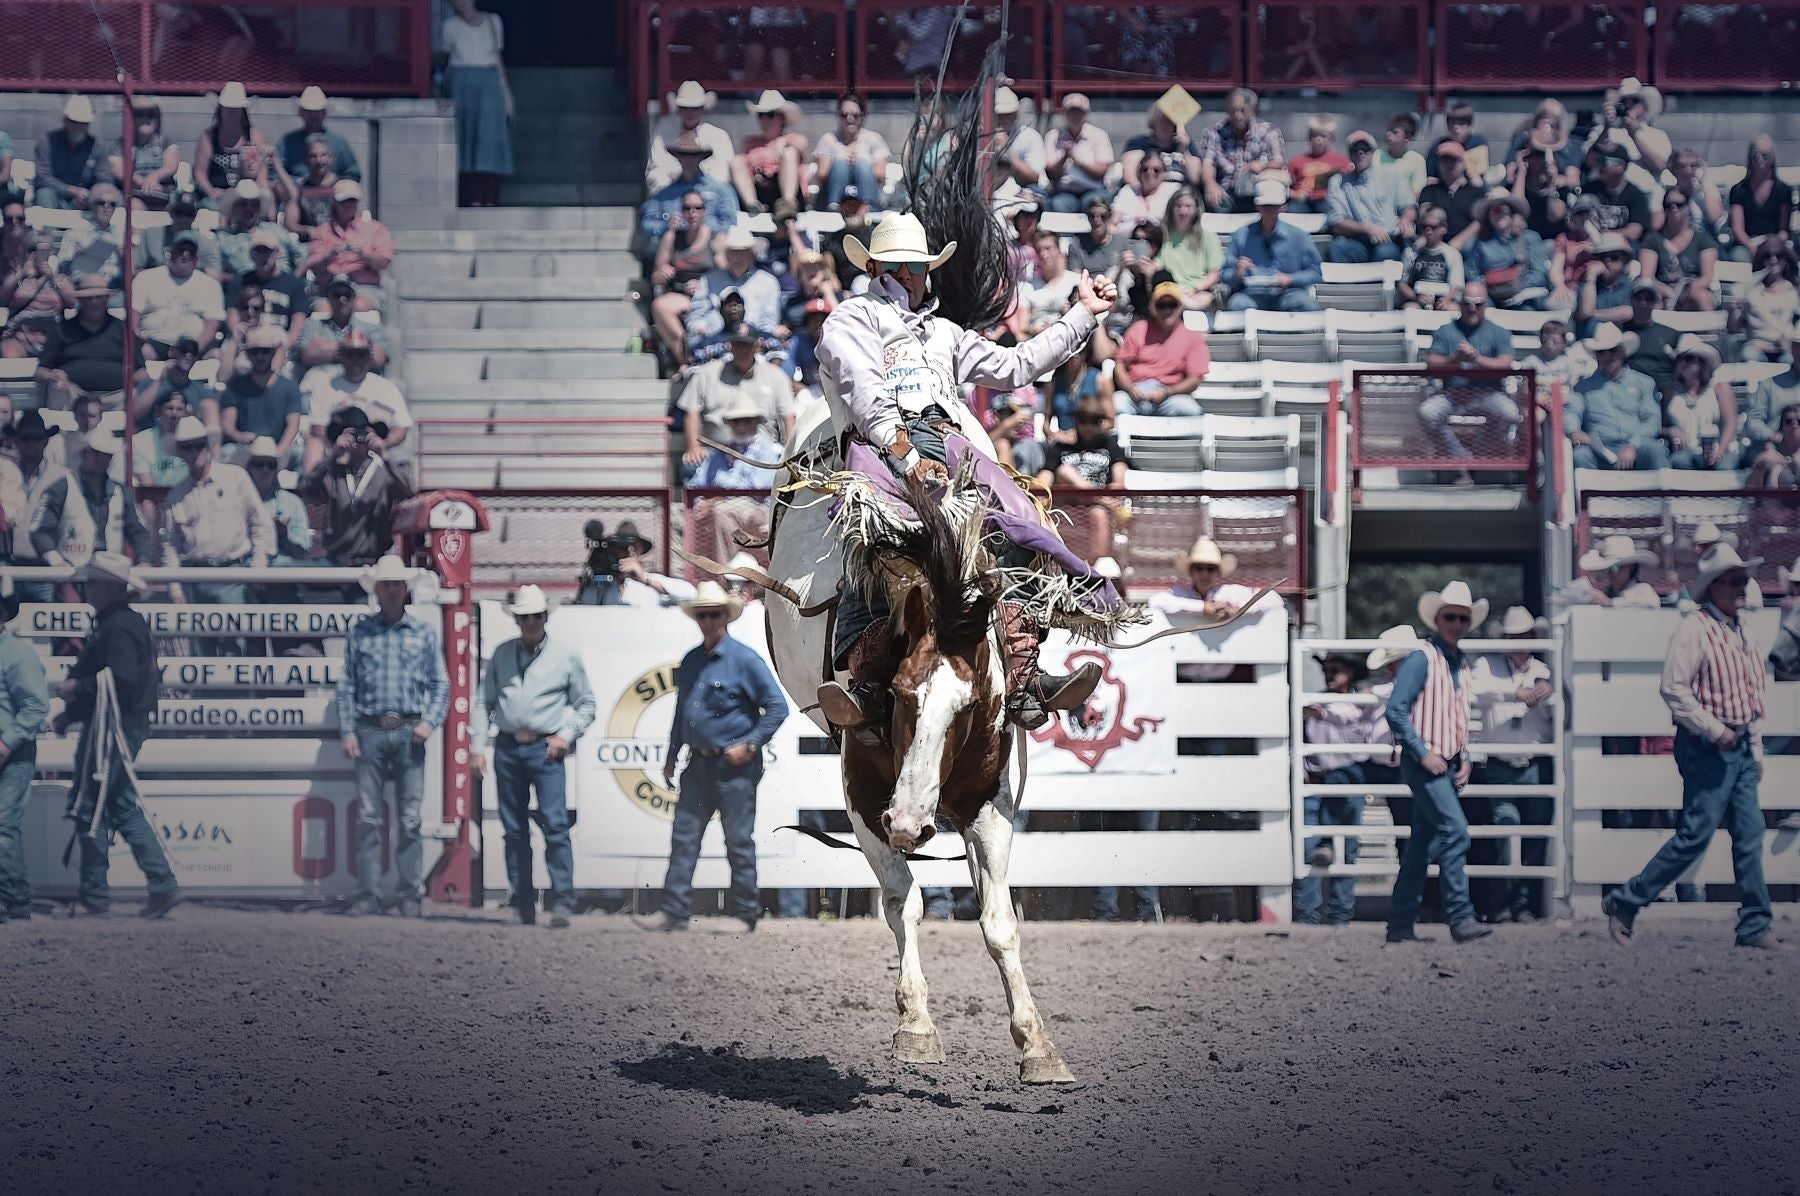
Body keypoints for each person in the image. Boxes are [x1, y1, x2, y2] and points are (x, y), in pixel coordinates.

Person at [811, 211, 1119, 735]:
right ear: (890, 268)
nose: (915, 275)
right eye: (909, 266)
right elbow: (864, 391)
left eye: (916, 266)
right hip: (882, 443)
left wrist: (1083, 314)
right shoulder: (851, 319)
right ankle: (866, 684)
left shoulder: (944, 333)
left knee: (1020, 523)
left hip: (949, 441)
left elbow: (1015, 366)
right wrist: (906, 455)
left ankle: (1021, 672)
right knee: (872, 532)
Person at [1604, 544, 1779, 950]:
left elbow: (1750, 692)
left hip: (1736, 744)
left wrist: (1751, 744)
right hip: (1708, 746)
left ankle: (1755, 922)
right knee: (1696, 835)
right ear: (1714, 587)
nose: (1743, 587)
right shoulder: (1695, 628)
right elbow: (1673, 689)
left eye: (1744, 580)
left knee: (1749, 833)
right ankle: (1626, 900)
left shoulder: (1739, 628)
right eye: (1735, 581)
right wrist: (1715, 729)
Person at [652, 582, 789, 932]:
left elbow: (777, 707)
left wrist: (751, 744)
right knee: (684, 837)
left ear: (726, 616)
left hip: (734, 766)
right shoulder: (692, 660)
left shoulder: (744, 659)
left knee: (738, 840)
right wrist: (672, 754)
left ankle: (745, 914)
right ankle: (675, 911)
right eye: (703, 614)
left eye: (714, 614)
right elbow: (683, 711)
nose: (708, 620)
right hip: (698, 761)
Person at [53, 552, 180, 918]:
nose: (85, 588)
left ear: (106, 587)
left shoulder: (117, 626)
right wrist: (72, 713)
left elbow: (120, 680)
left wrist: (76, 689)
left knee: (92, 805)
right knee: (118, 802)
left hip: (115, 727)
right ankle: (161, 884)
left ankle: (97, 895)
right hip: (118, 724)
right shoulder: (120, 623)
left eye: (90, 582)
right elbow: (116, 679)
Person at [474, 584, 596, 929]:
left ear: (545, 617)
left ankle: (561, 902)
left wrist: (565, 735)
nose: (530, 622)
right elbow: (484, 703)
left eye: (535, 616)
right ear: (518, 619)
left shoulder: (565, 656)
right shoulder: (501, 655)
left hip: (545, 748)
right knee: (514, 830)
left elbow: (586, 704)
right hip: (509, 746)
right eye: (525, 617)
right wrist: (477, 747)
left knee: (555, 826)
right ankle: (523, 902)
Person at [337, 555, 450, 917]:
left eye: (395, 585)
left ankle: (407, 895)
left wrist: (428, 723)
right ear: (378, 590)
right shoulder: (360, 631)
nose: (390, 591)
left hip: (409, 730)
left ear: (405, 590)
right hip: (369, 729)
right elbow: (346, 685)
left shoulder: (423, 633)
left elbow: (440, 684)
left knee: (410, 819)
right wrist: (348, 730)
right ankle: (368, 893)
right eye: (385, 585)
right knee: (369, 816)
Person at [1384, 579, 1492, 945]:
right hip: (1426, 762)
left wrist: (1463, 756)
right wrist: (1423, 751)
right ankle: (1460, 917)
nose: (1458, 624)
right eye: (1452, 617)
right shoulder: (1422, 658)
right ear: (1439, 619)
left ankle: (1399, 924)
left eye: (1463, 618)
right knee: (1456, 832)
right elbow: (1395, 711)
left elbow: (1454, 717)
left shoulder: (1456, 663)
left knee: (1421, 847)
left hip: (1441, 762)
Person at [1472, 607, 1554, 923]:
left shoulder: (1546, 672)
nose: (1519, 641)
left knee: (1534, 836)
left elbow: (1562, 714)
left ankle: (1523, 905)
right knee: (1505, 829)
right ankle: (1504, 904)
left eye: (1524, 635)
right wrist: (1516, 692)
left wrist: (1548, 695)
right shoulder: (1486, 666)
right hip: (1501, 763)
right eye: (1513, 636)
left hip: (1535, 761)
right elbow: (1477, 688)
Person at [1297, 652, 1376, 926]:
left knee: (1345, 851)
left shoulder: (1362, 704)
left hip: (1347, 782)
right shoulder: (1312, 704)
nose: (1330, 675)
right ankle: (1309, 914)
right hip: (1318, 782)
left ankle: (1339, 914)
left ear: (1351, 673)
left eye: (1337, 670)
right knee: (1308, 850)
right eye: (1328, 670)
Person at [1419, 282, 1521, 474]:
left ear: (1486, 305)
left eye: (1478, 303)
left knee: (1510, 413)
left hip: (1488, 393)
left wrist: (1477, 358)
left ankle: (1475, 453)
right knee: (1427, 413)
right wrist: (1455, 359)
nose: (1472, 308)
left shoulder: (1498, 332)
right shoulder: (1446, 330)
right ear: (1460, 304)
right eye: (1467, 303)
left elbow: (1506, 364)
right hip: (1453, 394)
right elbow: (1431, 363)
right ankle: (1462, 458)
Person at [296, 407, 412, 569]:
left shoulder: (384, 473)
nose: (359, 440)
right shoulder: (334, 473)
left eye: (363, 434)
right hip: (336, 560)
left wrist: (384, 455)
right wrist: (332, 455)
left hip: (372, 560)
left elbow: (408, 490)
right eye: (352, 435)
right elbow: (306, 487)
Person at [164, 412, 274, 579]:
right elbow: (171, 544)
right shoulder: (175, 495)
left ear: (207, 446)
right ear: (180, 452)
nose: (195, 451)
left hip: (232, 573)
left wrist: (257, 568)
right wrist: (175, 588)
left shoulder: (236, 477)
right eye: (188, 447)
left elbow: (261, 523)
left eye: (199, 445)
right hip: (191, 577)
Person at [678, 324, 794, 478]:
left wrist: (790, 451)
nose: (742, 349)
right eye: (738, 344)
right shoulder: (707, 373)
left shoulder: (775, 375)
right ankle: (702, 501)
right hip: (716, 450)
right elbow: (691, 412)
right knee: (690, 467)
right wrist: (693, 447)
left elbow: (788, 415)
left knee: (787, 470)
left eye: (747, 345)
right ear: (729, 346)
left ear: (757, 346)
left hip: (761, 452)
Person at [29, 426, 152, 570]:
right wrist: (55, 560)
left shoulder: (121, 492)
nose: (101, 459)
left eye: (106, 454)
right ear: (83, 453)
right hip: (71, 576)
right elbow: (38, 529)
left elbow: (139, 531)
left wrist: (145, 560)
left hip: (111, 576)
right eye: (96, 453)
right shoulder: (61, 487)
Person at [0, 579, 49, 923]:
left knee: (2, 825)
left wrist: (6, 742)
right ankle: (15, 900)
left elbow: (36, 706)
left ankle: (11, 900)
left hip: (12, 753)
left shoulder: (17, 654)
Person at [1566, 323, 1671, 471]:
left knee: (1655, 450)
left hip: (1638, 446)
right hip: (1600, 450)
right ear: (1596, 355)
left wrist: (1632, 445)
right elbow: (1572, 411)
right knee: (1581, 455)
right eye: (1602, 352)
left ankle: (1664, 494)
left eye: (1613, 350)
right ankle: (1590, 494)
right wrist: (1574, 431)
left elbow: (1652, 420)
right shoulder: (1582, 387)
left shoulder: (1644, 382)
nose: (1608, 356)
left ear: (1622, 352)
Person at [301, 330, 412, 469]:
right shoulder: (326, 387)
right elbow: (318, 427)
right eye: (350, 354)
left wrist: (384, 443)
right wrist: (339, 444)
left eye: (361, 354)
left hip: (377, 446)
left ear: (368, 357)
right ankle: (313, 490)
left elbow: (402, 426)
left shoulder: (386, 388)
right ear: (341, 356)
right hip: (339, 446)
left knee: (402, 457)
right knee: (314, 447)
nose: (355, 360)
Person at [442, 0, 514, 207]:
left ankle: (490, 195)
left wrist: (505, 90)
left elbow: (498, 58)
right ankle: (472, 196)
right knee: (467, 138)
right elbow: (446, 60)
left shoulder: (493, 22)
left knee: (489, 138)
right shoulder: (450, 26)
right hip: (461, 82)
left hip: (489, 81)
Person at [1220, 179, 1323, 312]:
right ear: (1257, 206)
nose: (1269, 210)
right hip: (1252, 294)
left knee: (1306, 304)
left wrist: (1290, 279)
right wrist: (1237, 273)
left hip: (1288, 293)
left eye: (1274, 206)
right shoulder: (1241, 235)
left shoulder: (1298, 236)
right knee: (1237, 304)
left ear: (1283, 206)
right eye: (1265, 206)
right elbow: (1225, 274)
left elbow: (1316, 272)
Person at [1113, 281, 1210, 417]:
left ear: (1180, 306)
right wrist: (1130, 388)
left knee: (1191, 411)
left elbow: (1194, 379)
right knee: (1115, 404)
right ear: (1153, 307)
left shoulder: (1193, 337)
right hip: (1135, 392)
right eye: (1161, 305)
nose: (1167, 310)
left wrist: (1167, 392)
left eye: (1172, 305)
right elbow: (1119, 366)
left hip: (1171, 395)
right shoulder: (1138, 328)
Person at [1325, 130, 1416, 264]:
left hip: (1388, 239)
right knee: (1336, 248)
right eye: (1355, 150)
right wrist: (1368, 229)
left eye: (1365, 149)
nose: (1360, 153)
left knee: (1386, 253)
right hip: (1355, 239)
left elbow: (1409, 206)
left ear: (1373, 152)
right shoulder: (1337, 182)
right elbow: (1337, 222)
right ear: (1349, 155)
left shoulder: (1393, 174)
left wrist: (1406, 220)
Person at [132, 231, 225, 360]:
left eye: (191, 252)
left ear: (197, 258)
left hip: (193, 348)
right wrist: (137, 337)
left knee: (217, 355)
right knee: (139, 353)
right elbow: (133, 315)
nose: (185, 255)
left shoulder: (211, 285)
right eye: (181, 250)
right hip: (153, 344)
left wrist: (196, 348)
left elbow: (212, 323)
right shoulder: (145, 278)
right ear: (170, 253)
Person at [221, 324, 305, 465]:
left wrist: (278, 452)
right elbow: (228, 424)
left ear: (273, 352)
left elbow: (293, 426)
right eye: (254, 351)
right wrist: (239, 436)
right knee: (226, 453)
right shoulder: (235, 385)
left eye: (264, 351)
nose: (260, 356)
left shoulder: (289, 386)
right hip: (246, 448)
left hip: (277, 446)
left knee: (301, 454)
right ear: (247, 354)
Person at [302, 181, 392, 312]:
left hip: (363, 288)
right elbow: (315, 268)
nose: (348, 205)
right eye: (343, 201)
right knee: (322, 309)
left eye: (352, 200)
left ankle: (357, 333)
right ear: (334, 203)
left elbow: (383, 263)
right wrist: (329, 255)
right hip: (329, 288)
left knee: (359, 306)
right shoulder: (321, 232)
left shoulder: (376, 229)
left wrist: (364, 254)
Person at [1199, 87, 1284, 213]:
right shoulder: (1214, 132)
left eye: (1242, 111)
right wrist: (1210, 183)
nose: (1237, 115)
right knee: (1216, 201)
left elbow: (1278, 162)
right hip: (1228, 189)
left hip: (1257, 189)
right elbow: (1208, 163)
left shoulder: (1269, 132)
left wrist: (1262, 165)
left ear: (1253, 110)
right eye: (1233, 111)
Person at [194, 81, 274, 210]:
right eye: (228, 107)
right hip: (217, 196)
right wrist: (209, 190)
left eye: (236, 108)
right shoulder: (208, 137)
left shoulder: (255, 136)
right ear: (220, 109)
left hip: (248, 196)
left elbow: (262, 171)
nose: (232, 111)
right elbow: (200, 171)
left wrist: (259, 192)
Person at [1465, 188, 1549, 309]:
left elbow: (1539, 273)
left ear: (1513, 213)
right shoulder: (1480, 243)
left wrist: (1517, 286)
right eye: (1493, 211)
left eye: (1502, 209)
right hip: (1491, 298)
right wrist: (1487, 284)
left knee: (1528, 310)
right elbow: (1471, 271)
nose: (1498, 214)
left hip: (1523, 297)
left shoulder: (1531, 238)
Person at [647, 80, 735, 194]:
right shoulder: (663, 136)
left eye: (695, 108)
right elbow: (655, 171)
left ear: (703, 109)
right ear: (678, 109)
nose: (689, 112)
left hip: (709, 195)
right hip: (672, 194)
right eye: (684, 107)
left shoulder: (718, 136)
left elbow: (723, 174)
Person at [1663, 337, 1737, 471]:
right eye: (1681, 358)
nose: (1683, 363)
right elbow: (1660, 426)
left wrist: (1720, 451)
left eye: (1689, 358)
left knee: (1723, 468)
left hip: (1720, 448)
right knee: (1679, 462)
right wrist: (1671, 431)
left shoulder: (1719, 388)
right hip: (1686, 452)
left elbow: (1730, 424)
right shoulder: (1671, 392)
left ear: (1701, 363)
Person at [1639, 189, 1718, 311]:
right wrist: (1670, 293)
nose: (1674, 208)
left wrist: (1682, 294)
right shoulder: (1653, 240)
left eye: (1679, 204)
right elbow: (1647, 276)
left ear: (1688, 207)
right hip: (1662, 293)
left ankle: (1710, 330)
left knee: (1702, 297)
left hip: (1691, 292)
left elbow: (1706, 277)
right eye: (1668, 205)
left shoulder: (1703, 239)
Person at [295, 275, 390, 374]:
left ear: (354, 298)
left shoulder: (371, 328)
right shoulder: (313, 324)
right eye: (337, 295)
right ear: (329, 298)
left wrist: (325, 348)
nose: (342, 299)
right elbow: (306, 354)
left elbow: (378, 359)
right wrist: (357, 349)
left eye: (347, 295)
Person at [731, 90, 806, 214]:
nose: (765, 120)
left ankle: (788, 204)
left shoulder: (792, 139)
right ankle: (752, 205)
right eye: (761, 115)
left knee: (790, 153)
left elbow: (802, 144)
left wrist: (783, 142)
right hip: (758, 188)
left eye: (770, 115)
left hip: (782, 188)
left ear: (782, 118)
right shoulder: (750, 142)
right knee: (737, 161)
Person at [811, 95, 890, 211]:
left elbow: (880, 175)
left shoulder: (874, 139)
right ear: (838, 116)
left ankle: (868, 207)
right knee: (840, 164)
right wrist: (841, 162)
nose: (850, 119)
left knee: (862, 165)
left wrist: (859, 164)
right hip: (829, 196)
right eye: (844, 115)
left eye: (855, 115)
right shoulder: (828, 139)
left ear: (862, 117)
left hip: (866, 192)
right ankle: (834, 206)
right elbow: (822, 175)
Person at [232, 225, 311, 341]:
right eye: (257, 252)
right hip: (249, 345)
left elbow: (297, 325)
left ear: (277, 252)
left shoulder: (294, 284)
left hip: (280, 344)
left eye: (267, 251)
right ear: (250, 255)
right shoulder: (241, 281)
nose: (262, 256)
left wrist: (284, 350)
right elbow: (233, 318)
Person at [32, 95, 111, 210]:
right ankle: (48, 228)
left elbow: (104, 179)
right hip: (56, 195)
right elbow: (42, 177)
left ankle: (104, 228)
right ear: (65, 121)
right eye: (74, 122)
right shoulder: (46, 141)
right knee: (44, 194)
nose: (79, 127)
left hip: (87, 198)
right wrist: (71, 191)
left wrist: (90, 196)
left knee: (114, 198)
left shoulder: (98, 145)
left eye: (84, 123)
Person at [1038, 394, 1129, 489]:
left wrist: (1115, 491)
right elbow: (1047, 473)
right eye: (1083, 420)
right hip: (1069, 500)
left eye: (1094, 421)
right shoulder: (1061, 446)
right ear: (1076, 421)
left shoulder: (1110, 445)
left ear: (1101, 422)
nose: (1088, 427)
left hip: (1102, 500)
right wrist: (1040, 490)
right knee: (1064, 472)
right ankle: (1096, 497)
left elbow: (1119, 476)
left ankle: (1095, 497)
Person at [247, 436, 313, 565]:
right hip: (247, 567)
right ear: (249, 467)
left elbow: (305, 550)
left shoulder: (293, 502)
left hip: (283, 571)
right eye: (259, 464)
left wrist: (285, 535)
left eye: (271, 465)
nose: (265, 469)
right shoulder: (238, 500)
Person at [1155, 187, 1224, 312]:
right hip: (1169, 290)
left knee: (1204, 299)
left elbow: (1214, 274)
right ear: (1171, 208)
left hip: (1199, 291)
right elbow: (1157, 267)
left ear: (1196, 209)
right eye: (1179, 206)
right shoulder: (1162, 236)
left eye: (1188, 206)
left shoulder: (1208, 237)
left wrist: (1196, 289)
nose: (1183, 211)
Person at [1045, 93, 1114, 214]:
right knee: (1057, 205)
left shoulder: (1099, 135)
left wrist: (1078, 160)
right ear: (1064, 114)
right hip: (1064, 191)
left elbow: (1101, 172)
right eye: (1071, 112)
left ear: (1086, 114)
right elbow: (1051, 173)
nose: (1075, 116)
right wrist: (1065, 157)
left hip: (1093, 190)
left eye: (1079, 112)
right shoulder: (1053, 136)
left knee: (1096, 206)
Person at [1730, 241, 1799, 363]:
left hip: (1785, 349)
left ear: (1785, 259)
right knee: (1749, 356)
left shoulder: (1793, 291)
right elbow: (1735, 328)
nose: (1773, 260)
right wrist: (1734, 309)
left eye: (1778, 255)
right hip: (1757, 348)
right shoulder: (1750, 292)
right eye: (1768, 256)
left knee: (1792, 361)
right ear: (1762, 260)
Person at [1727, 136, 1791, 265]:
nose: (1759, 159)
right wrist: (1754, 248)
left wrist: (1772, 247)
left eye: (1764, 155)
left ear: (1772, 158)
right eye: (1754, 155)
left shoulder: (1783, 190)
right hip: (1748, 242)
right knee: (1739, 257)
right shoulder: (1739, 190)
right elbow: (1738, 229)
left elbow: (1783, 230)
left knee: (1785, 259)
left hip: (1774, 241)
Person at [278, 86, 361, 184]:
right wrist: (296, 182)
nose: (313, 116)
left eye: (317, 112)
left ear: (324, 113)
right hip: (297, 193)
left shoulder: (339, 142)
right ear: (301, 113)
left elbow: (353, 174)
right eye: (309, 111)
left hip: (332, 193)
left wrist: (335, 180)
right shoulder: (288, 142)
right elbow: (274, 174)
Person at [1557, 534, 1662, 610]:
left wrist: (1610, 603)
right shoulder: (1608, 592)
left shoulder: (1643, 590)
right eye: (1607, 570)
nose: (1610, 575)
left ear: (1631, 567)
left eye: (1615, 569)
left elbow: (1651, 605)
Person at [1122, 97, 1200, 192]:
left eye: (1169, 120)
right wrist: (1142, 196)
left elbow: (1195, 178)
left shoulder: (1186, 144)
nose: (1165, 123)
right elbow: (1130, 175)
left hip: (1179, 197)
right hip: (1149, 194)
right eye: (1161, 119)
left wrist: (1184, 150)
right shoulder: (1139, 142)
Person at [52, 184, 124, 286]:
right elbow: (61, 269)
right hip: (84, 289)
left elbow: (129, 271)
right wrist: (75, 256)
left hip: (113, 287)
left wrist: (123, 257)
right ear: (92, 205)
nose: (106, 207)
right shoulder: (75, 234)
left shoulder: (121, 235)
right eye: (101, 203)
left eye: (112, 204)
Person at [1397, 205, 1465, 309]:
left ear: (1444, 228)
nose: (1428, 230)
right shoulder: (1411, 253)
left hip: (1444, 299)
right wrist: (1416, 297)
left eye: (1433, 226)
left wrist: (1445, 300)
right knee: (1409, 308)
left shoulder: (1453, 254)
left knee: (1453, 308)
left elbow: (1456, 285)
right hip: (1418, 298)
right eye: (1424, 226)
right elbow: (1403, 284)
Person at [1416, 140, 1481, 245]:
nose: (1449, 164)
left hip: (1465, 244)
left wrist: (1459, 241)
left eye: (1454, 160)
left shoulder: (1476, 192)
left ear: (1463, 164)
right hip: (1434, 243)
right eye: (1444, 160)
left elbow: (1479, 222)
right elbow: (1425, 214)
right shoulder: (1429, 191)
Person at [123, 98, 181, 209]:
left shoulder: (166, 142)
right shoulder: (122, 144)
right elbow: (119, 170)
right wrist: (143, 182)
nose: (145, 119)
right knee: (134, 206)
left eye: (150, 115)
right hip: (135, 194)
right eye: (140, 115)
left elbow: (171, 166)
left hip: (163, 193)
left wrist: (154, 177)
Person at [1287, 115, 1350, 215]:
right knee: (1292, 210)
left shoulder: (1341, 161)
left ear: (1331, 139)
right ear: (1309, 138)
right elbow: (1283, 187)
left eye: (1324, 136)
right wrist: (1295, 194)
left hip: (1327, 200)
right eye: (1315, 136)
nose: (1319, 140)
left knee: (1334, 211)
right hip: (1302, 201)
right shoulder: (1296, 161)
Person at [131, 387, 193, 487]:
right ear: (158, 411)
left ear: (186, 413)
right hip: (158, 498)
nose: (174, 414)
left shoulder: (195, 440)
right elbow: (148, 487)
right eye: (169, 408)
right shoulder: (139, 442)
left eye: (179, 409)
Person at [1520, 316, 1592, 394]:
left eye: (1555, 341)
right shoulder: (1532, 362)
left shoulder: (1569, 362)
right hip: (1538, 398)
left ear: (1564, 343)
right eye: (1545, 341)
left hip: (1563, 399)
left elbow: (1575, 383)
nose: (1549, 345)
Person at [1427, 102, 1489, 184]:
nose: (1456, 128)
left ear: (1470, 125)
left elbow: (1478, 176)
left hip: (1471, 187)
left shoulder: (1478, 142)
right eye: (1452, 123)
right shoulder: (1438, 146)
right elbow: (1431, 177)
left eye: (1461, 123)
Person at [1746, 402, 1800, 489]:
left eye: (1799, 421)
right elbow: (1749, 490)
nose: (1794, 425)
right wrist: (1760, 468)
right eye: (1788, 421)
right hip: (1771, 501)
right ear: (1781, 426)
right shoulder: (1768, 455)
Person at [1378, 112, 1426, 199]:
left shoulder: (1417, 160)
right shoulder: (1376, 156)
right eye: (1388, 130)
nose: (1388, 134)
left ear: (1408, 138)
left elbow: (1417, 191)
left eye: (1394, 132)